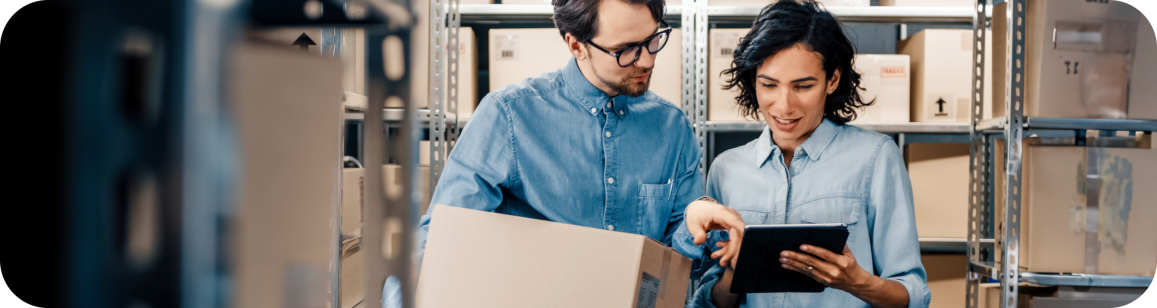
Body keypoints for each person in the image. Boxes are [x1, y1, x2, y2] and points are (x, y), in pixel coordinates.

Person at [414, 0, 745, 285]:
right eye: (625, 49)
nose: (645, 60)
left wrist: (693, 221)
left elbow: (680, 262)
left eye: (652, 39)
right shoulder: (509, 116)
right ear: (576, 45)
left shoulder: (671, 127)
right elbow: (440, 241)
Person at [688, 1, 930, 308]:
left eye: (803, 86)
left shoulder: (875, 158)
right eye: (769, 85)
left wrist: (858, 282)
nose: (784, 105)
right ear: (753, 81)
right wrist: (735, 273)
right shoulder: (726, 169)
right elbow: (712, 300)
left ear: (832, 80)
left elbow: (913, 294)